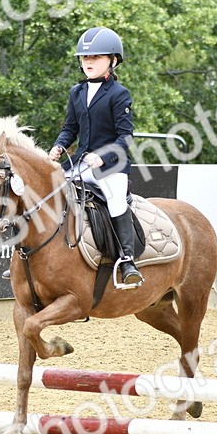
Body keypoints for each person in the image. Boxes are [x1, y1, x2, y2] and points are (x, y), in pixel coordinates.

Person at [48, 26, 142, 288]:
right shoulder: (76, 92)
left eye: (96, 57)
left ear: (112, 61)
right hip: (79, 163)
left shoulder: (118, 94)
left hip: (111, 165)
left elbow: (126, 137)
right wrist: (58, 146)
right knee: (47, 192)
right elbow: (70, 128)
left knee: (114, 200)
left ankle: (127, 260)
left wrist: (102, 157)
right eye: (85, 58)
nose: (88, 62)